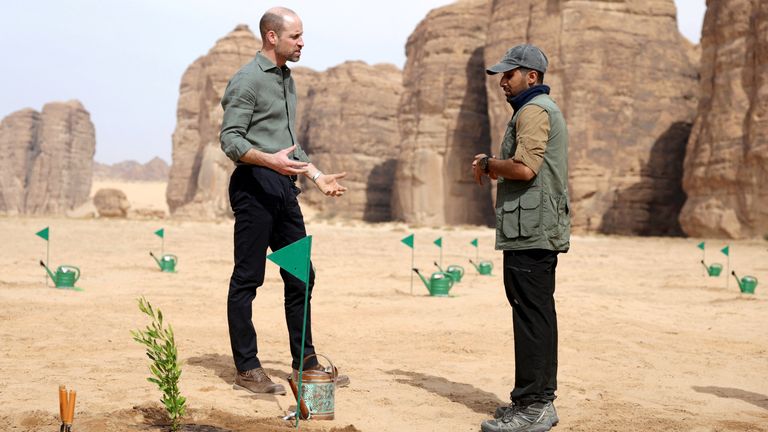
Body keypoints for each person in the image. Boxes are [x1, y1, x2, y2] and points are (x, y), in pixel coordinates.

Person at [220, 6, 349, 395]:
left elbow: (287, 144)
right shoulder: (246, 80)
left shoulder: (286, 79)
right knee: (248, 278)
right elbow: (231, 140)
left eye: (302, 35)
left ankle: (305, 363)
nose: (302, 42)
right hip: (254, 187)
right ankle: (247, 366)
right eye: (295, 36)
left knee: (300, 276)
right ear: (272, 36)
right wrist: (269, 160)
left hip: (282, 191)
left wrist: (315, 175)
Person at [472, 44, 570, 432]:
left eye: (509, 75)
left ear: (532, 76)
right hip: (527, 230)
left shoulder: (534, 111)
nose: (502, 82)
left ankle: (536, 406)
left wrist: (488, 165)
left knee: (532, 316)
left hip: (532, 232)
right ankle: (528, 401)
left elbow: (525, 168)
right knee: (532, 312)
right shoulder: (532, 111)